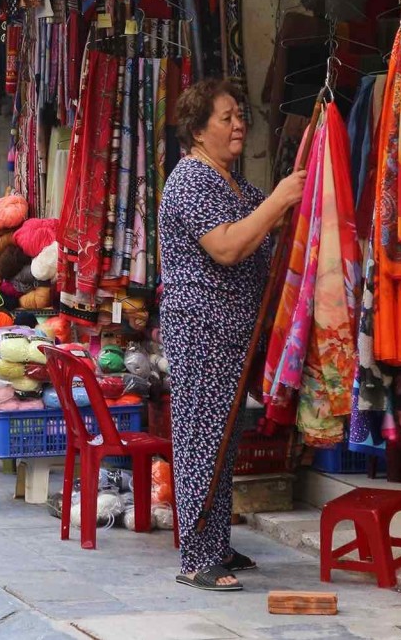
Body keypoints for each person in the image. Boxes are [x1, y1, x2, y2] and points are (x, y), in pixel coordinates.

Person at [157, 79, 306, 592]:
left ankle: (216, 544)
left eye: (240, 115)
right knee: (201, 438)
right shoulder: (190, 182)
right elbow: (226, 247)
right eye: (226, 117)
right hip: (200, 332)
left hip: (231, 336)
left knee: (224, 437)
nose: (239, 123)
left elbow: (273, 225)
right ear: (198, 131)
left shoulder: (233, 184)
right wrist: (281, 198)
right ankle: (196, 559)